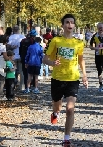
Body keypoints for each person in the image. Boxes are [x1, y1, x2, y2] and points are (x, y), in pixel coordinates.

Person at [43, 14, 88, 146]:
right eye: (67, 22)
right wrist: (52, 63)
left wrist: (84, 75)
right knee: (57, 107)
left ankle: (66, 139)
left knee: (70, 109)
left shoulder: (79, 43)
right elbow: (44, 59)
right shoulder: (55, 41)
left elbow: (81, 59)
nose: (69, 24)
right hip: (57, 79)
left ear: (74, 25)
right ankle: (55, 114)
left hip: (73, 78)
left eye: (72, 22)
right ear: (62, 25)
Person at [89, 23, 103, 92]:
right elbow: (90, 46)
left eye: (102, 27)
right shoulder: (95, 36)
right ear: (97, 28)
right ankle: (101, 85)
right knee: (99, 70)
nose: (101, 29)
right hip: (98, 56)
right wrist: (95, 48)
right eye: (99, 27)